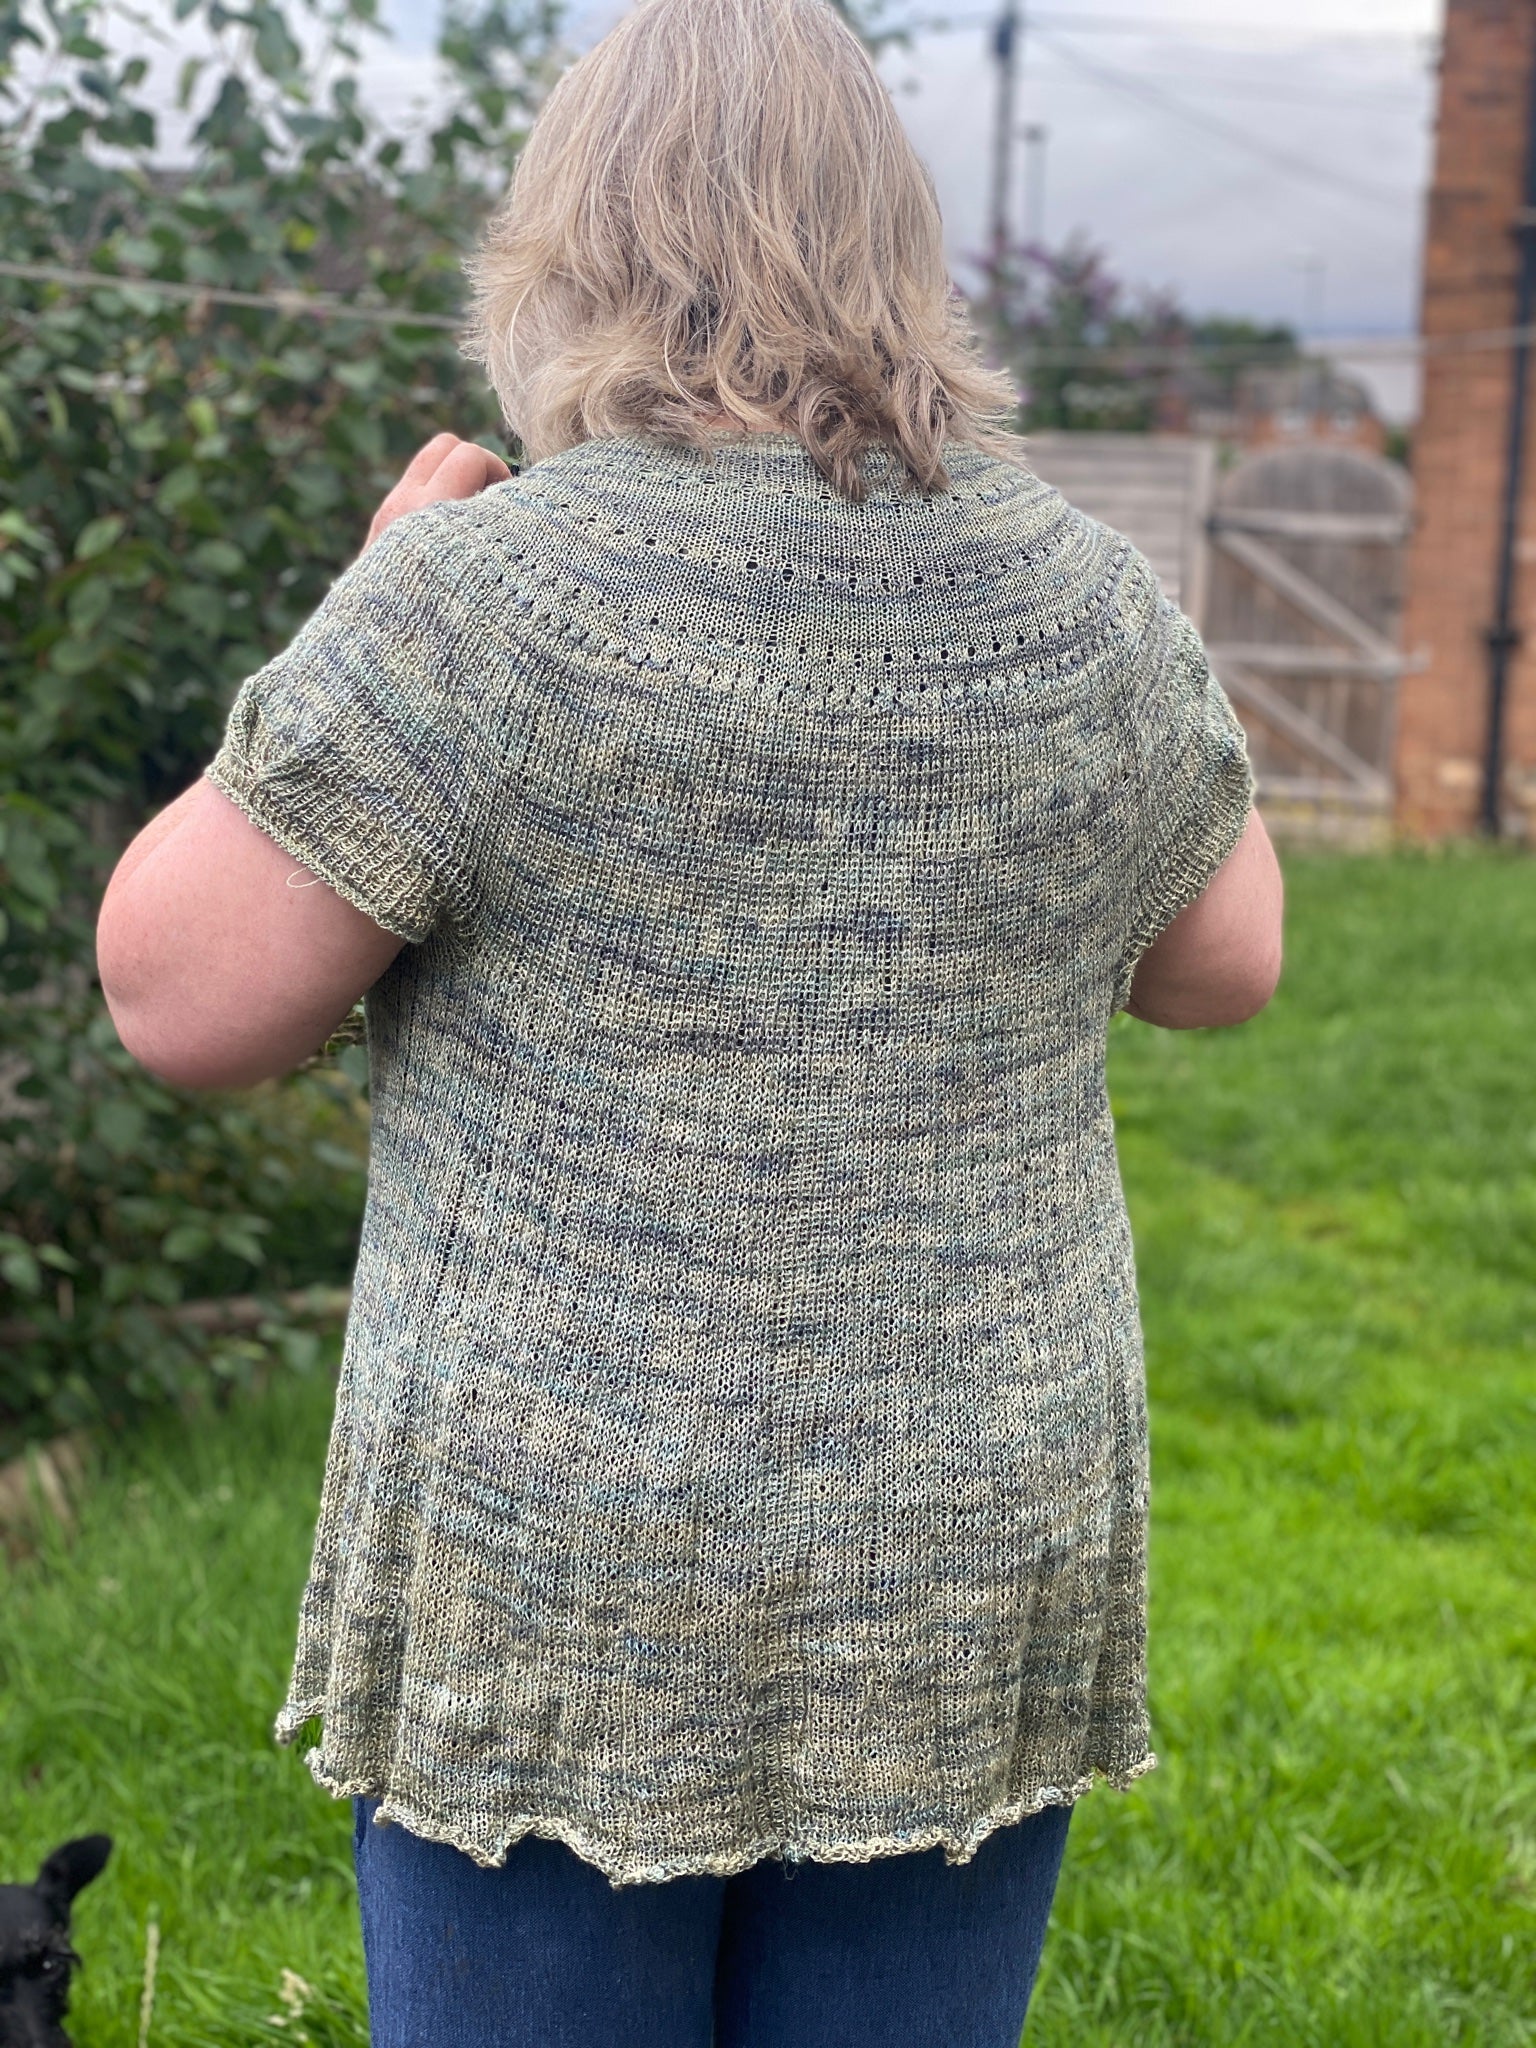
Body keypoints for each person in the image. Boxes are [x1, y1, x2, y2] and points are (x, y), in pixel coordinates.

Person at [94, 0, 1285, 2039]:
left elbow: (178, 990)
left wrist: (361, 604)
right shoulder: (1080, 595)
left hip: (566, 1563)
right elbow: (1224, 960)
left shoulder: (477, 594)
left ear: (571, 244)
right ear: (896, 245)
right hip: (959, 1533)